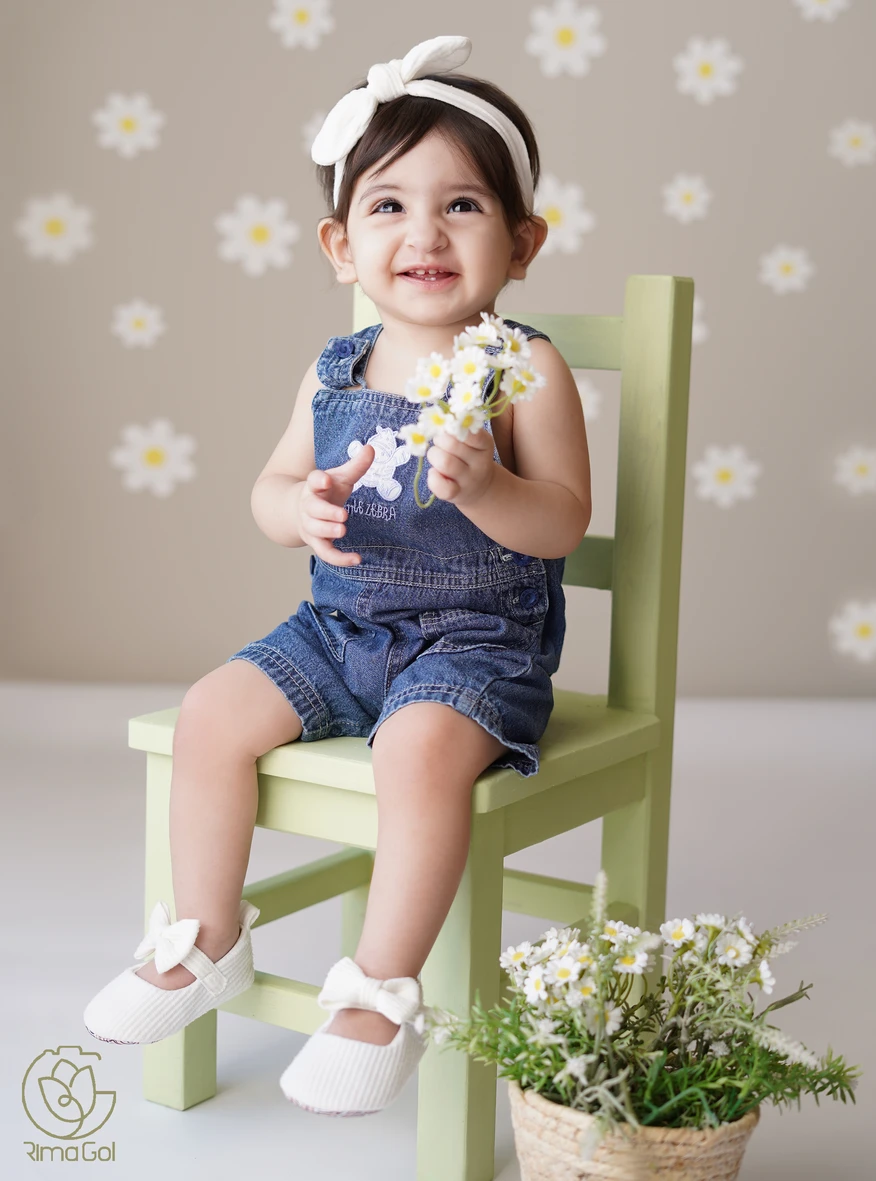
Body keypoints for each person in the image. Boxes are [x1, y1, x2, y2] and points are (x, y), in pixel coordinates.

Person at [83, 34, 592, 1118]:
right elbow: (269, 487)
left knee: (414, 752)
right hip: (340, 630)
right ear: (340, 243)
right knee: (211, 713)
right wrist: (298, 507)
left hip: (474, 647)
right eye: (389, 205)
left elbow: (562, 520)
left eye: (462, 205)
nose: (425, 232)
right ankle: (204, 938)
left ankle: (376, 993)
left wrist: (492, 487)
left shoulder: (526, 367)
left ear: (522, 240)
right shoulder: (333, 368)